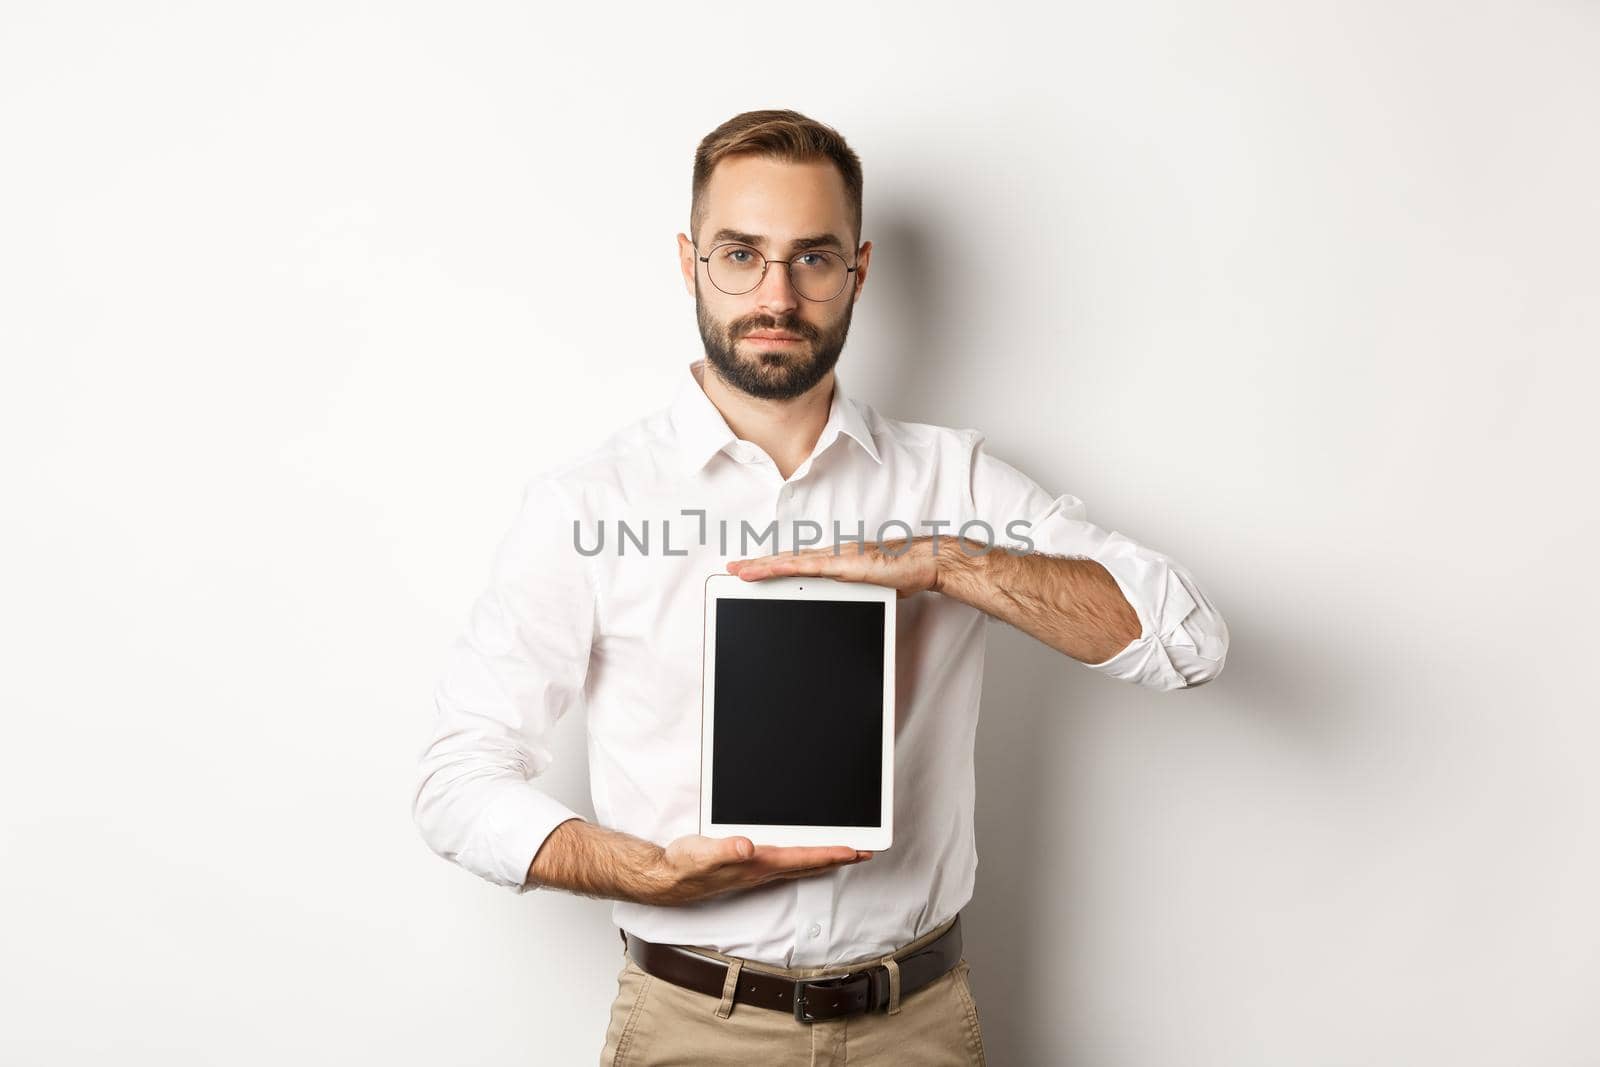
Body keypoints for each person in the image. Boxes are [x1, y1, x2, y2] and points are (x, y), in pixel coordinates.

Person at [411, 108, 1230, 1066]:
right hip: (689, 1025)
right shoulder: (589, 504)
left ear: (859, 269)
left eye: (813, 257)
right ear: (689, 263)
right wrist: (644, 870)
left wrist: (944, 561)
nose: (778, 293)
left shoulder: (954, 486)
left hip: (915, 1026)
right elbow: (455, 778)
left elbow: (1188, 644)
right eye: (739, 254)